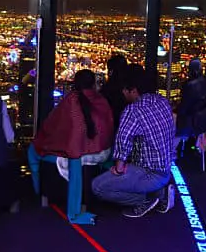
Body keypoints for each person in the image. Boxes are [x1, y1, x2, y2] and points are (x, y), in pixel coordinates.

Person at [28, 70, 113, 224]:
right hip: (101, 154)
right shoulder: (102, 101)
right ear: (94, 84)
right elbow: (108, 130)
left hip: (77, 155)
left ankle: (38, 194)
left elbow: (52, 127)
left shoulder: (70, 101)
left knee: (33, 151)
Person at [91, 65, 176, 218]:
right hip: (166, 169)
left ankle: (147, 199)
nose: (123, 93)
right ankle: (159, 191)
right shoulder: (162, 101)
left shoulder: (133, 110)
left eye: (125, 89)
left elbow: (123, 141)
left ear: (134, 90)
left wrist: (118, 168)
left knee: (98, 187)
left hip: (150, 173)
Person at [177, 59, 206, 155]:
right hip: (205, 121)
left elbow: (184, 108)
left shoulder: (189, 85)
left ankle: (170, 150)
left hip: (191, 123)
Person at [100, 54, 128, 133]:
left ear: (111, 71)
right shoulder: (129, 87)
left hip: (109, 128)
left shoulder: (109, 88)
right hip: (123, 127)